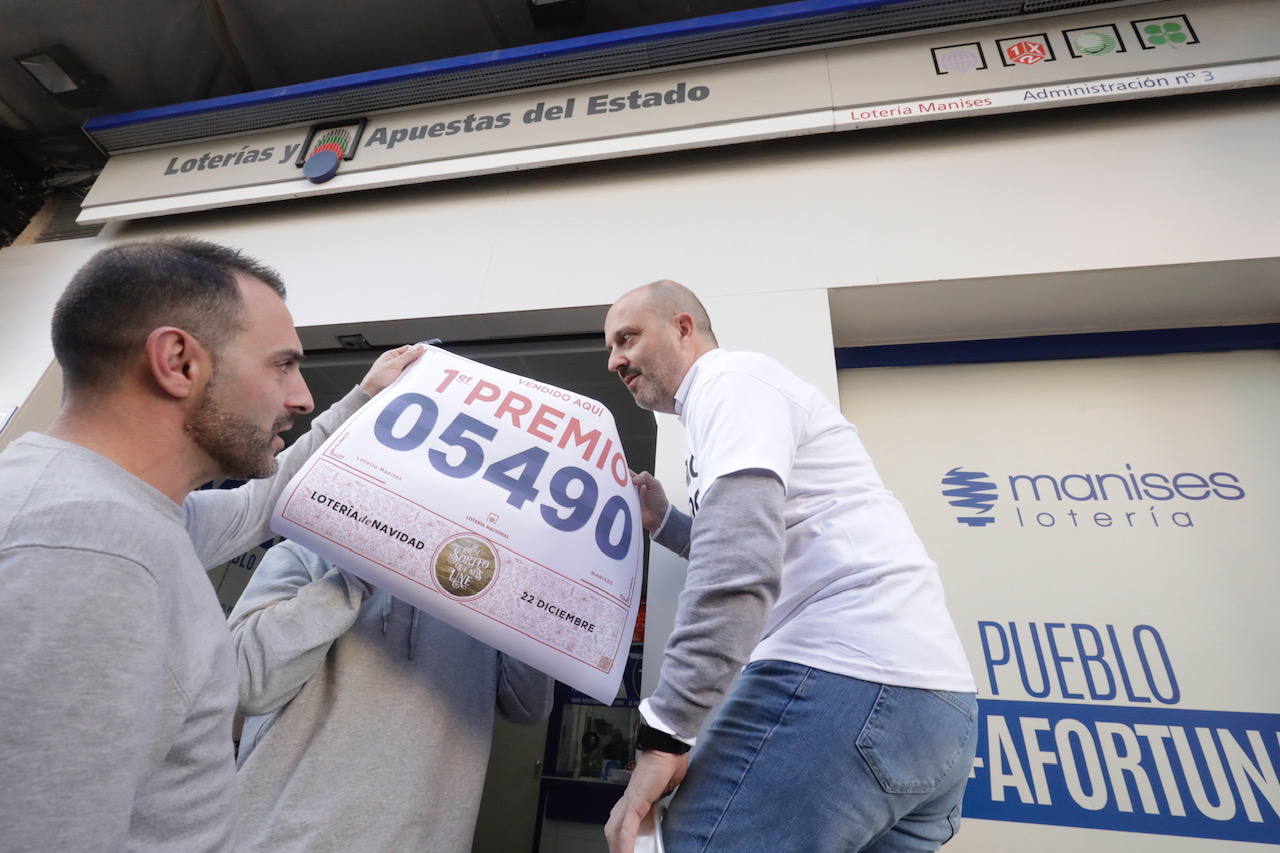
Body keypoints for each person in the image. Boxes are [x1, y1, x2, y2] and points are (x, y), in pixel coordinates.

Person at [0, 238, 421, 852]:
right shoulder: (88, 549)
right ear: (179, 361)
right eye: (282, 365)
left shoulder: (130, 514)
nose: (303, 397)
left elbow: (264, 506)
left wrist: (362, 399)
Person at [602, 281, 978, 853]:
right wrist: (667, 523)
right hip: (932, 712)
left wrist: (666, 730)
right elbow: (769, 541)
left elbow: (740, 567)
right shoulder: (737, 399)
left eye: (627, 338)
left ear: (683, 327)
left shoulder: (728, 384)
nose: (615, 361)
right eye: (611, 348)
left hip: (846, 687)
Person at [228, 538, 555, 852]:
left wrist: (524, 603)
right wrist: (356, 570)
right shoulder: (306, 549)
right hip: (278, 840)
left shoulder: (492, 591)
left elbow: (530, 707)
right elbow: (246, 685)